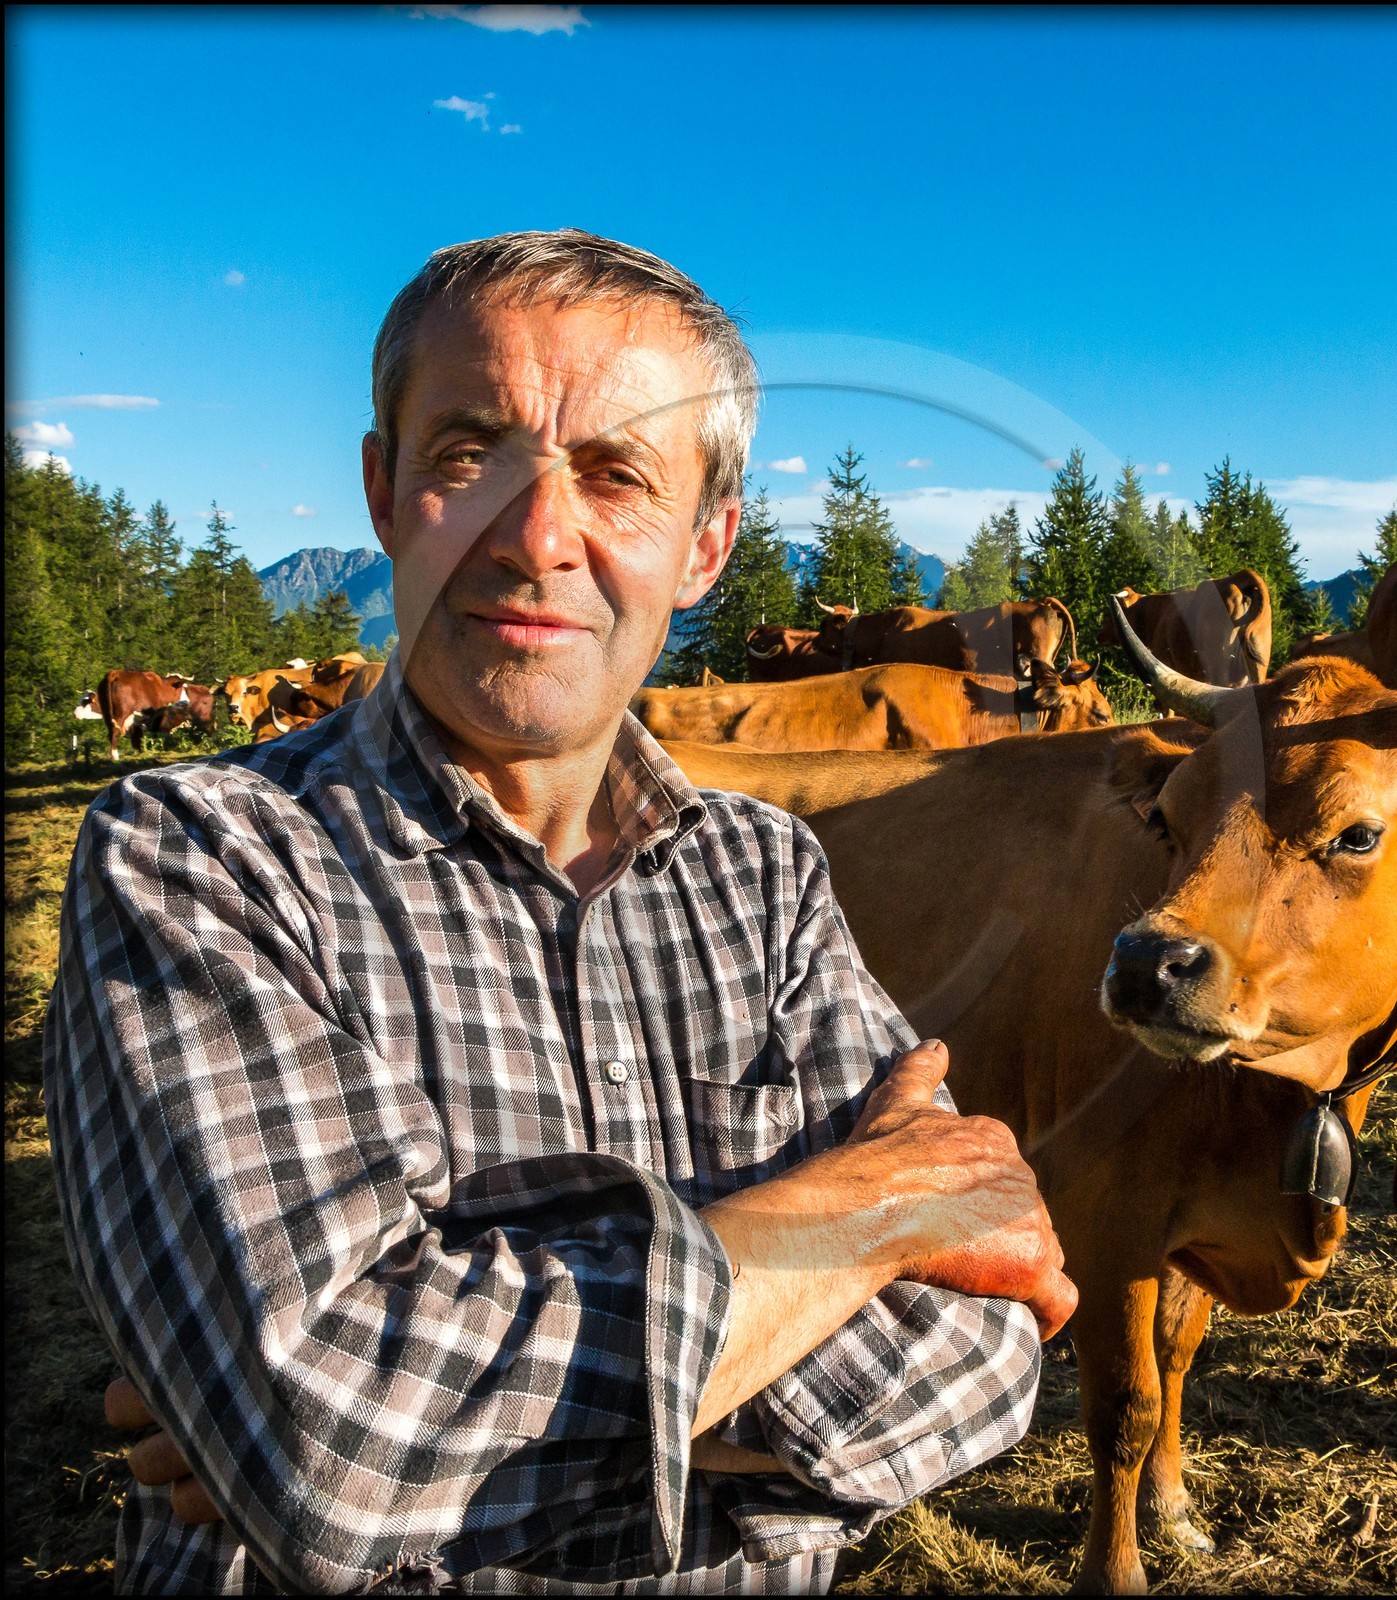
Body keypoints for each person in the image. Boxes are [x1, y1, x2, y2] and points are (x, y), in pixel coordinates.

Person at [44, 229, 1076, 1595]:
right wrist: (872, 1214)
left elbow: (977, 1371)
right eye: (470, 454)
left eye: (617, 474)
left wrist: (400, 1428)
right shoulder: (202, 855)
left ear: (706, 546)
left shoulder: (768, 876)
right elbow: (333, 1446)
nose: (538, 536)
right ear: (381, 487)